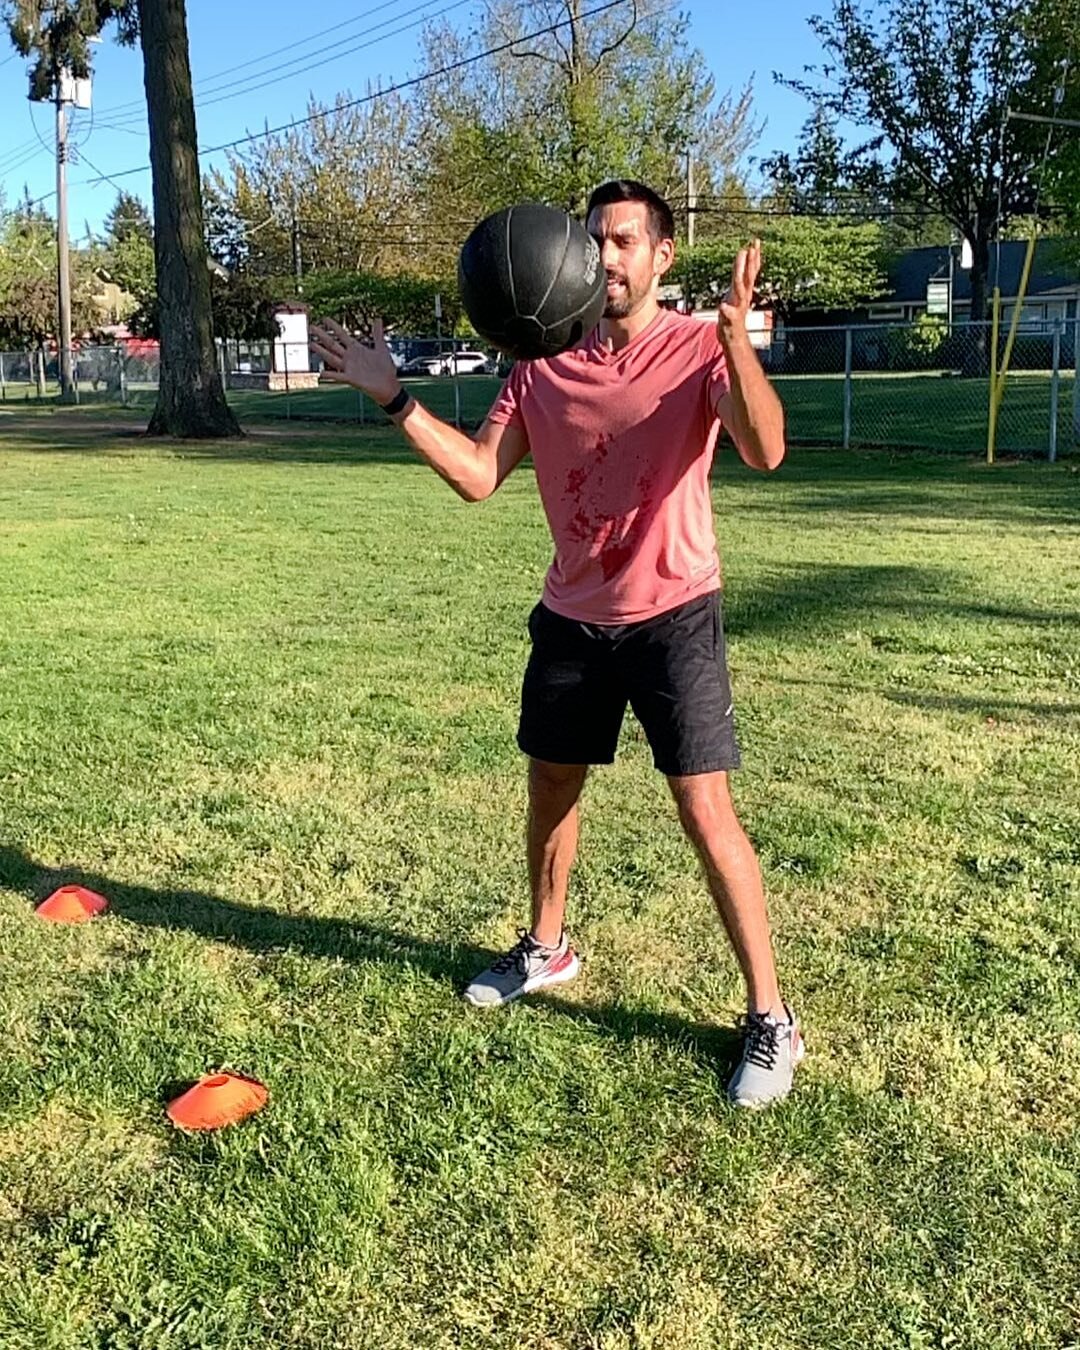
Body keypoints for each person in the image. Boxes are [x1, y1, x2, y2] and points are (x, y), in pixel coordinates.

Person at [310, 180, 802, 1108]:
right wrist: (394, 400)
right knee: (550, 787)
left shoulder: (699, 346)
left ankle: (771, 1017)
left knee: (704, 808)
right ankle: (547, 946)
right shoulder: (541, 361)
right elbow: (479, 478)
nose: (606, 258)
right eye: (595, 241)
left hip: (674, 614)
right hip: (573, 617)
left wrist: (737, 341)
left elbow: (765, 449)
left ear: (661, 256)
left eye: (625, 242)